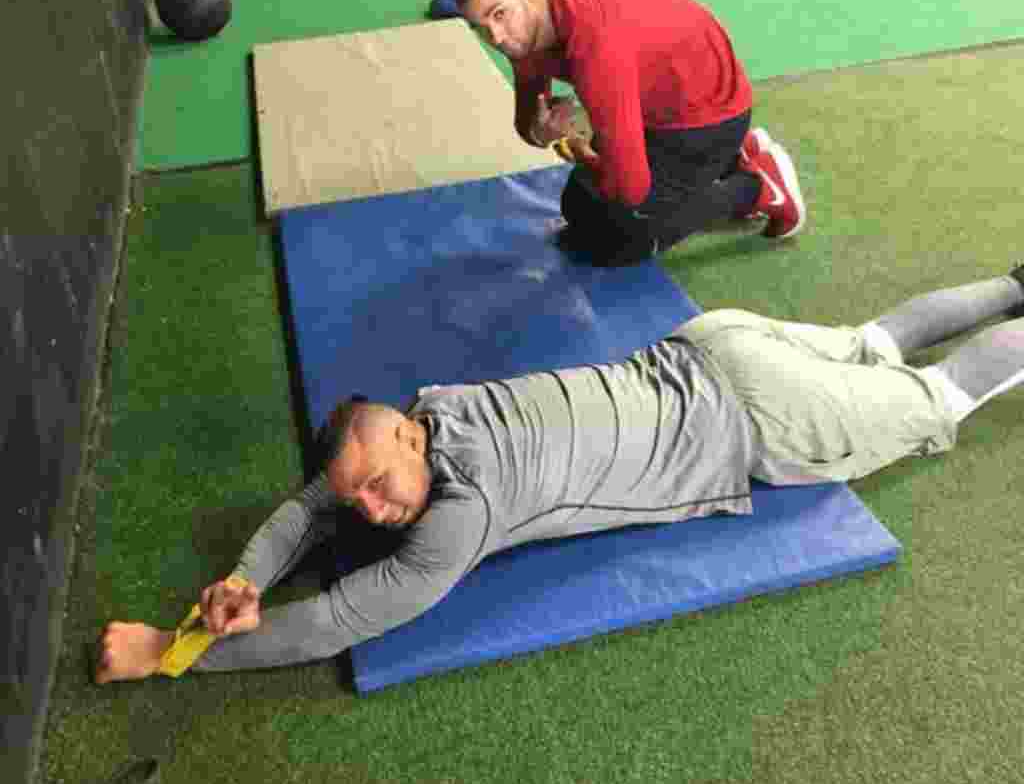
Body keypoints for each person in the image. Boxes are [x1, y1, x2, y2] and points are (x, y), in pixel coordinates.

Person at [96, 266, 1024, 683]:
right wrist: (246, 575)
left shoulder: (464, 509)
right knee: (875, 342)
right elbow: (312, 505)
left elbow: (341, 618)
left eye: (380, 484)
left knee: (939, 395)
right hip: (713, 338)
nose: (374, 511)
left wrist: (173, 652)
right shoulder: (436, 401)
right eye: (363, 498)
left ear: (410, 441)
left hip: (756, 417)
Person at [443, 0, 806, 268]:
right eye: (481, 27)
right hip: (654, 103)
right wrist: (543, 133)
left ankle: (758, 185)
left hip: (707, 118)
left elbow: (630, 189)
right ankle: (732, 157)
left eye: (499, 15)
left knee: (617, 242)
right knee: (578, 208)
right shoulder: (528, 24)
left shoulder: (593, 46)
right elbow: (527, 125)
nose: (497, 37)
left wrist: (586, 154)